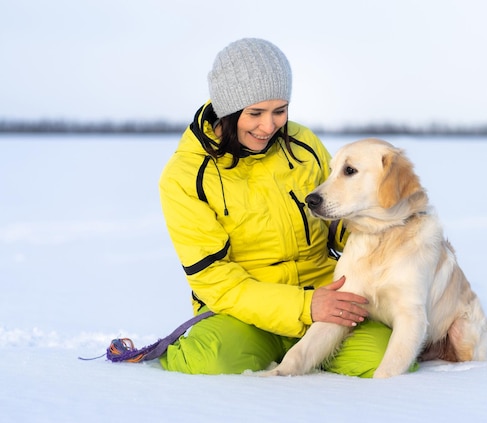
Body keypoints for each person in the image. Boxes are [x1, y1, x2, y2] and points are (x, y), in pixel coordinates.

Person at [158, 38, 417, 377]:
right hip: (244, 314)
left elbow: (337, 219)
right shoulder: (185, 177)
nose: (269, 126)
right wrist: (305, 307)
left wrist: (395, 230)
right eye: (255, 113)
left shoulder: (303, 145)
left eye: (279, 111)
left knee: (389, 357)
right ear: (228, 108)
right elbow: (215, 280)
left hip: (330, 296)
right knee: (210, 360)